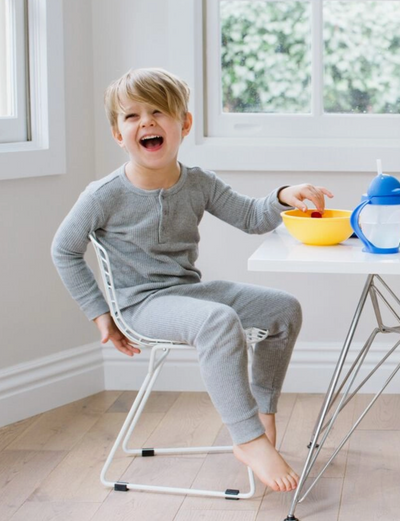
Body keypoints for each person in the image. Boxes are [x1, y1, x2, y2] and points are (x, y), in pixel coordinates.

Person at [52, 67, 333, 492]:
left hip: (191, 294)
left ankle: (261, 410)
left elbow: (252, 217)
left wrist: (282, 196)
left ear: (183, 123)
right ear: (117, 134)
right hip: (141, 305)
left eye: (158, 112)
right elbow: (64, 250)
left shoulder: (198, 182)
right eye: (132, 117)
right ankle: (247, 438)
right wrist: (100, 314)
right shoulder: (102, 195)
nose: (146, 122)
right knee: (217, 321)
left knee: (283, 308)